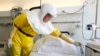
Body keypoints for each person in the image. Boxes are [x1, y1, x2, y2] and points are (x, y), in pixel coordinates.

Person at [8, 3, 81, 56]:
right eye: (48, 15)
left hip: (29, 40)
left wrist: (72, 42)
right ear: (44, 12)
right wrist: (10, 38)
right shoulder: (27, 16)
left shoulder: (47, 25)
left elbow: (59, 34)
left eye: (51, 17)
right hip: (18, 38)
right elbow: (16, 25)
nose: (49, 18)